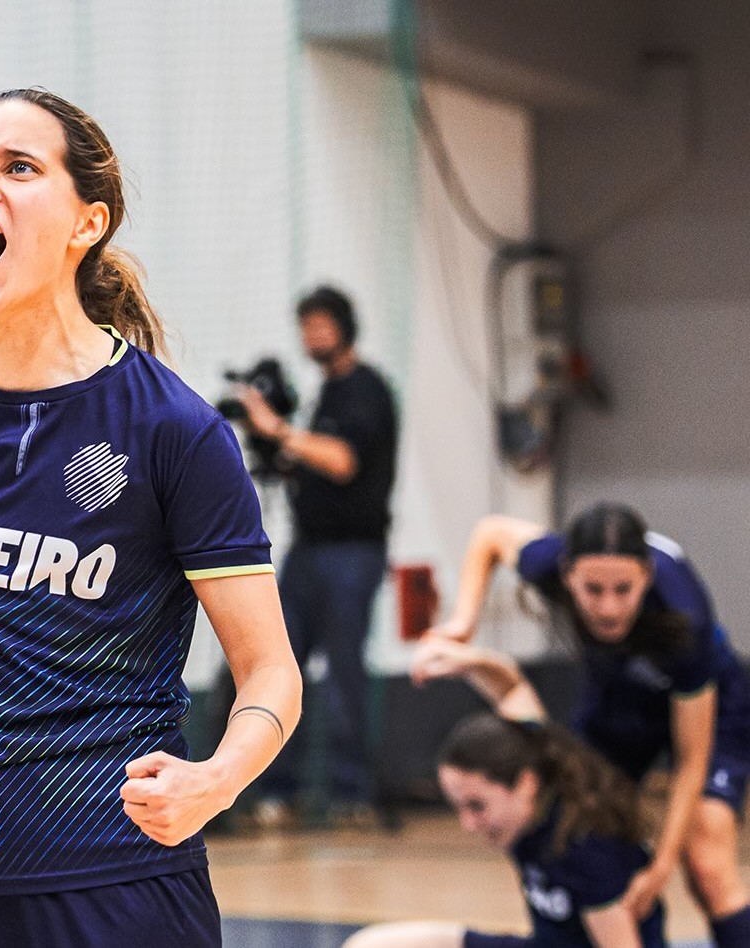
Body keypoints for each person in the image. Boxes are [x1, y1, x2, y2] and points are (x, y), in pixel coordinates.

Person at [0, 87, 302, 948]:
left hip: (111, 874)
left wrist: (215, 781)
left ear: (86, 224)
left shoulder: (172, 431)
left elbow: (271, 676)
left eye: (18, 167)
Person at [426, 502, 750, 947]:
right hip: (620, 693)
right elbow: (490, 533)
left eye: (624, 589)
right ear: (566, 576)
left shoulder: (684, 621)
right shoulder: (547, 561)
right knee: (574, 804)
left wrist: (660, 868)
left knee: (707, 858)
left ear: (647, 577)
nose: (608, 608)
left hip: (713, 701)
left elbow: (692, 760)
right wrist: (463, 623)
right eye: (592, 590)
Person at [343, 636, 667, 948]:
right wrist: (468, 661)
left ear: (524, 784)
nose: (468, 824)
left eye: (477, 806)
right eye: (459, 808)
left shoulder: (585, 848)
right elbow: (511, 688)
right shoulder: (534, 754)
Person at [234, 285, 398, 828]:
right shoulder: (322, 394)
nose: (314, 338)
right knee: (281, 668)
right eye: (307, 328)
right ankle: (280, 790)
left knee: (346, 671)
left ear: (345, 327)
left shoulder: (365, 390)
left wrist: (278, 430)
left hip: (352, 554)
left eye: (322, 326)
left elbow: (343, 460)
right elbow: (305, 459)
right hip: (308, 552)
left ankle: (353, 793)